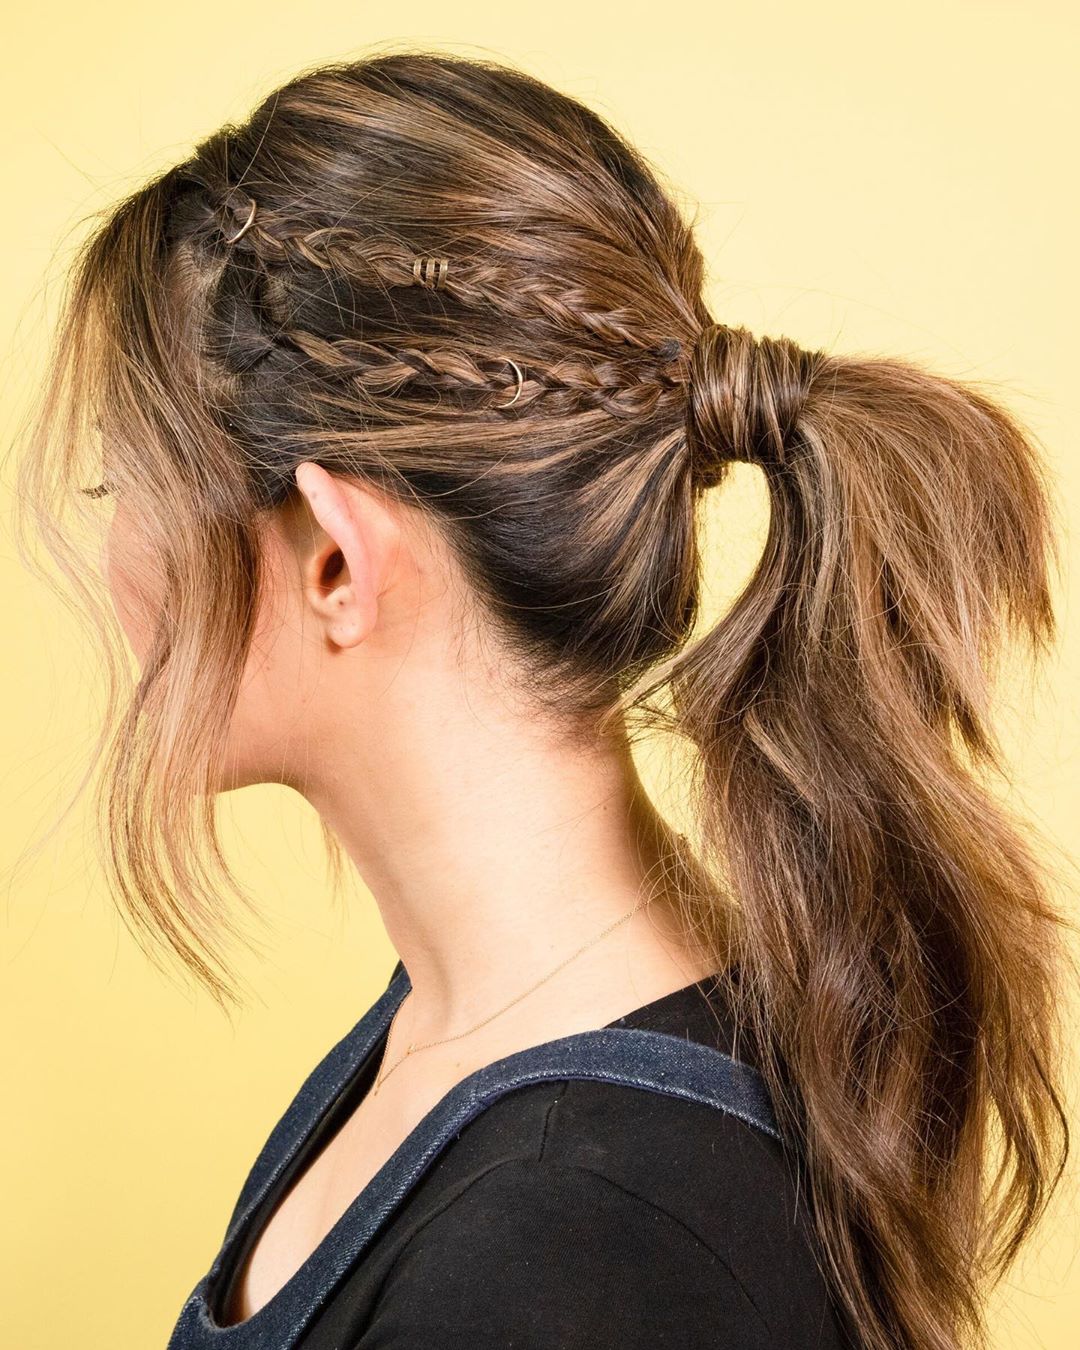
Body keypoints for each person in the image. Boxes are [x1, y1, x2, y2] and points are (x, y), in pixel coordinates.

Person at [12, 49, 1072, 1350]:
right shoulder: (462, 1048)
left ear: (336, 558)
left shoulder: (573, 1249)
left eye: (130, 489)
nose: (118, 570)